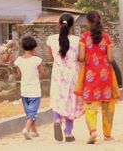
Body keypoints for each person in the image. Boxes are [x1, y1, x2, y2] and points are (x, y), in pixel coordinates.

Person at [78, 10, 118, 144]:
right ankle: (107, 135)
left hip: (91, 75)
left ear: (88, 22)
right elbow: (111, 58)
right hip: (105, 76)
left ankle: (93, 131)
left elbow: (82, 57)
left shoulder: (84, 37)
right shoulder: (106, 38)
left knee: (90, 104)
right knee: (107, 106)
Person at [45, 14, 80, 141]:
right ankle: (68, 133)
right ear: (73, 26)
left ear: (59, 24)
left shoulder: (51, 40)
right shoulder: (77, 41)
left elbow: (50, 58)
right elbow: (80, 58)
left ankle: (57, 120)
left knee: (58, 99)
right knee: (70, 101)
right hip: (71, 76)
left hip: (57, 75)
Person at [15, 36, 43, 140]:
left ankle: (34, 131)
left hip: (24, 90)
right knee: (33, 113)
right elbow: (42, 73)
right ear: (33, 48)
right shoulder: (37, 60)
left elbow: (18, 75)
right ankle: (26, 129)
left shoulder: (18, 60)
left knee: (29, 112)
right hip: (34, 90)